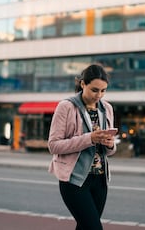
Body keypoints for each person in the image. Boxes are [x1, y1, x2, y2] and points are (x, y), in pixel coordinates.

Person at [48, 64, 117, 230]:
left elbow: (109, 151)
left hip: (100, 180)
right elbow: (54, 145)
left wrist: (110, 144)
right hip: (74, 180)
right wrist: (90, 138)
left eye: (103, 90)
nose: (98, 95)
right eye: (94, 90)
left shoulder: (107, 108)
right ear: (82, 84)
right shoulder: (66, 106)